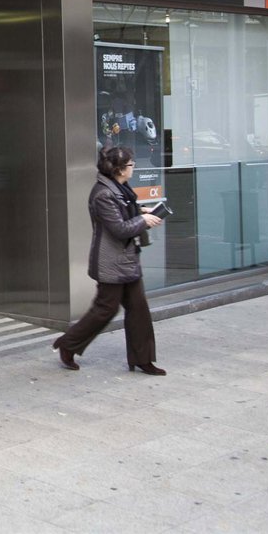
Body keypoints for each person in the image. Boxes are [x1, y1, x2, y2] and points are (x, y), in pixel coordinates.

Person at [51, 146, 167, 375]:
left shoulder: (119, 188)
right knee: (106, 309)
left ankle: (143, 360)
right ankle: (68, 344)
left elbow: (124, 211)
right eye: (131, 164)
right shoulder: (103, 194)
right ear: (120, 169)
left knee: (139, 310)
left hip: (127, 259)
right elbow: (119, 228)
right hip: (110, 261)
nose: (134, 167)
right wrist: (143, 220)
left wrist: (141, 211)